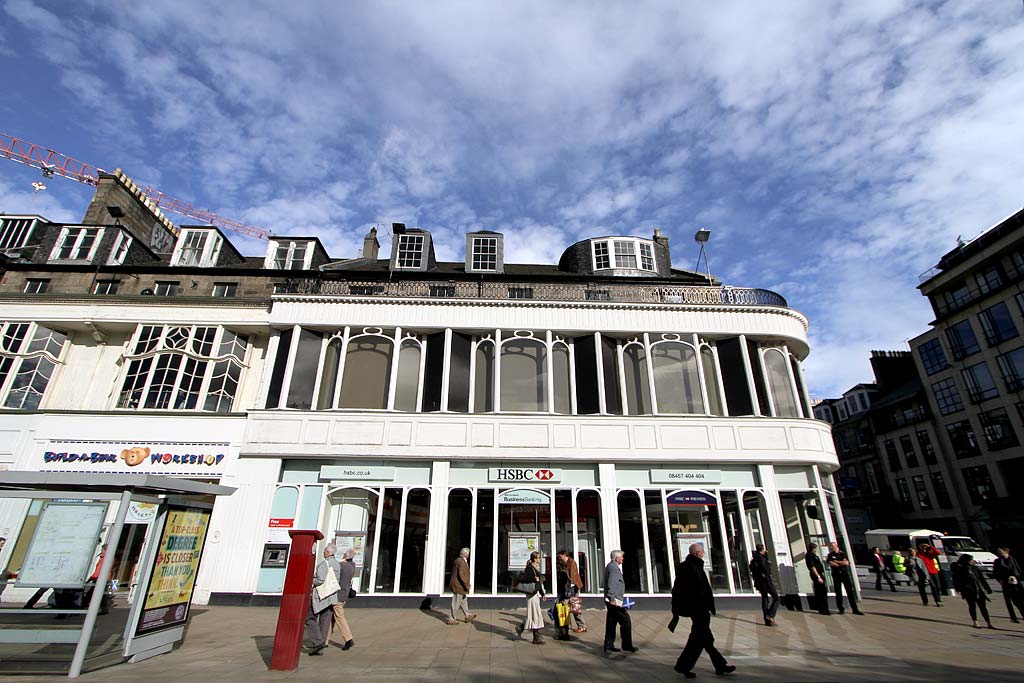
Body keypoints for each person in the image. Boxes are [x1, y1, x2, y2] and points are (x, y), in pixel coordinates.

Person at [672, 543, 735, 679]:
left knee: (706, 639)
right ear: (697, 553)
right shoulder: (690, 567)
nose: (703, 554)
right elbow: (688, 589)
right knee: (698, 639)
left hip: (699, 608)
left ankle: (720, 666)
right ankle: (683, 666)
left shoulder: (692, 566)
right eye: (702, 552)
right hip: (698, 608)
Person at [306, 544, 341, 656]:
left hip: (322, 596)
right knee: (325, 622)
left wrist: (311, 580)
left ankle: (317, 641)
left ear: (327, 552)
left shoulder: (324, 564)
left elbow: (320, 580)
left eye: (324, 550)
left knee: (310, 617)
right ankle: (320, 647)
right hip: (331, 596)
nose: (323, 552)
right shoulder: (337, 564)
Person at [603, 549, 637, 654]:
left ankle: (608, 645)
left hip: (613, 600)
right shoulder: (613, 568)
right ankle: (626, 645)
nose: (623, 558)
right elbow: (611, 584)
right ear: (616, 558)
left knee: (611, 622)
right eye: (621, 557)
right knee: (626, 621)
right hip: (615, 601)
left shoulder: (611, 566)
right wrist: (612, 598)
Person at [951, 554, 995, 629]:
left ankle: (988, 623)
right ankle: (975, 622)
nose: (972, 561)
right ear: (966, 561)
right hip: (968, 590)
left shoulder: (975, 568)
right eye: (970, 560)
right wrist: (958, 589)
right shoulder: (960, 568)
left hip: (978, 589)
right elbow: (956, 578)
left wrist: (987, 588)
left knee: (983, 607)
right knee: (972, 606)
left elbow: (981, 579)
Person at [515, 550, 547, 644]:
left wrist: (542, 594)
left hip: (535, 593)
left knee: (534, 614)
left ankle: (521, 628)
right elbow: (525, 578)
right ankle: (536, 637)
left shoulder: (535, 567)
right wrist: (534, 578)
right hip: (531, 594)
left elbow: (538, 583)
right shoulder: (530, 568)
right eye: (538, 558)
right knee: (534, 614)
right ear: (534, 558)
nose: (540, 559)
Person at [826, 541, 863, 615]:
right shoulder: (830, 555)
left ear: (836, 546)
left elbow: (846, 563)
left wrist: (836, 561)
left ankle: (855, 609)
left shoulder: (842, 553)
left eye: (832, 546)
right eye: (830, 546)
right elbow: (832, 563)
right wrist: (840, 562)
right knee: (838, 592)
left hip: (844, 574)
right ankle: (841, 609)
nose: (831, 547)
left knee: (849, 591)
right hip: (836, 574)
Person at [332, 548, 356, 650]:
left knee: (339, 616)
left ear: (345, 556)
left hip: (338, 595)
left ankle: (348, 639)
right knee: (331, 617)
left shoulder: (342, 566)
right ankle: (324, 639)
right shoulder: (352, 566)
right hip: (344, 594)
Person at [749, 544, 780, 626]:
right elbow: (765, 570)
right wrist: (768, 565)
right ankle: (770, 615)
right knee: (776, 598)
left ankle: (767, 620)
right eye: (764, 549)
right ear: (762, 550)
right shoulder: (762, 558)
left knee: (765, 598)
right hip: (766, 581)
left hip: (759, 582)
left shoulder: (754, 559)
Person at [558, 549, 587, 633]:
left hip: (573, 588)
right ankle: (574, 625)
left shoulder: (571, 563)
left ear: (564, 555)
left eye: (560, 556)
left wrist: (572, 589)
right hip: (569, 588)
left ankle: (581, 626)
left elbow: (572, 577)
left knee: (574, 607)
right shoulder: (565, 563)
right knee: (572, 607)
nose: (559, 558)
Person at [993, 547, 1024, 624]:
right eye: (998, 551)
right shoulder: (997, 561)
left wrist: (1018, 577)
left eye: (1000, 551)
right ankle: (1013, 617)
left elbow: (1018, 569)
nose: (999, 552)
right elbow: (995, 572)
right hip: (1005, 582)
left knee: (1019, 600)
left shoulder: (1012, 559)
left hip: (1016, 582)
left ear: (1006, 551)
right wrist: (1000, 581)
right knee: (1009, 601)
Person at [448, 547, 477, 625]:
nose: (469, 555)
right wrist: (466, 584)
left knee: (463, 601)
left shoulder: (458, 560)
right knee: (456, 602)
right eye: (468, 554)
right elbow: (461, 574)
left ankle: (467, 615)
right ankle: (451, 618)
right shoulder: (461, 562)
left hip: (460, 585)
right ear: (466, 555)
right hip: (459, 586)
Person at [805, 542, 830, 615]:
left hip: (819, 574)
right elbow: (812, 567)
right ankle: (822, 609)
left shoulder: (814, 555)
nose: (816, 550)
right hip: (816, 575)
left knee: (822, 591)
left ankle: (824, 608)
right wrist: (818, 576)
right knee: (821, 592)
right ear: (813, 548)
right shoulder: (809, 555)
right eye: (815, 548)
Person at [553, 553, 573, 640]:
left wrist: (560, 599)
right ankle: (564, 634)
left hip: (562, 597)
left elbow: (564, 587)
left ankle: (562, 634)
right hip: (563, 596)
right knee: (563, 615)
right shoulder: (564, 573)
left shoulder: (562, 574)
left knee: (559, 615)